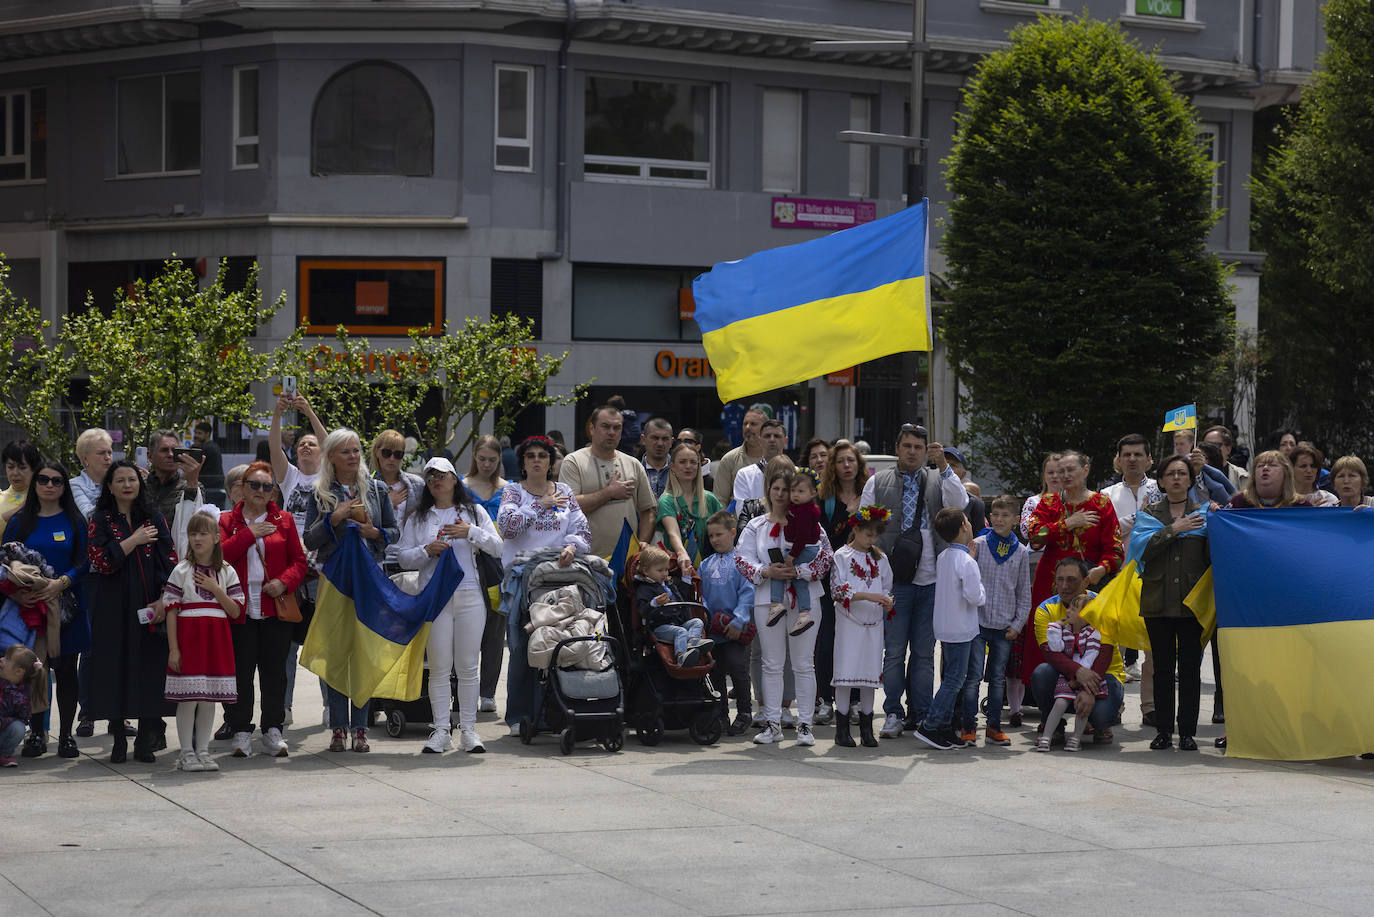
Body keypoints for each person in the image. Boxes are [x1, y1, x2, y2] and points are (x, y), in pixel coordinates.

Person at [858, 423, 968, 739]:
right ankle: (893, 712)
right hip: (893, 582)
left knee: (923, 653)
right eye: (907, 446)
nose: (912, 452)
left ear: (925, 451)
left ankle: (920, 714)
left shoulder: (938, 478)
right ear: (897, 447)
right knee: (893, 652)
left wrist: (944, 466)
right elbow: (864, 526)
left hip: (932, 582)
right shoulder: (877, 482)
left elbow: (959, 502)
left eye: (918, 447)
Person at [397, 456, 502, 755]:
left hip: (470, 596)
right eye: (430, 477)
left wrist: (470, 532)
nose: (436, 481)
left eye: (442, 475)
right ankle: (441, 730)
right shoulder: (419, 518)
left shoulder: (474, 511)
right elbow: (403, 557)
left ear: (455, 479)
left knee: (468, 666)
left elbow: (497, 546)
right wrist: (426, 550)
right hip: (436, 597)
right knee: (440, 668)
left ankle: (468, 730)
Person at [303, 429, 399, 753]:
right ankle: (337, 729)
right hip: (333, 581)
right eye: (345, 451)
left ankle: (360, 728)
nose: (353, 456)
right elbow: (309, 540)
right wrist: (334, 518)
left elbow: (394, 533)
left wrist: (375, 531)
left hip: (369, 577)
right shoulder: (319, 491)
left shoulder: (376, 487)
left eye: (356, 450)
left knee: (362, 654)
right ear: (331, 456)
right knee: (335, 657)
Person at [497, 435, 591, 735]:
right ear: (523, 463)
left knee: (563, 644)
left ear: (551, 463)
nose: (537, 460)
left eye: (542, 456)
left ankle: (557, 713)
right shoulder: (513, 492)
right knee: (524, 646)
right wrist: (540, 505)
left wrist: (572, 548)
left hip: (562, 578)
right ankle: (519, 716)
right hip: (524, 580)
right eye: (530, 456)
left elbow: (582, 529)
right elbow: (507, 528)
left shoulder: (564, 491)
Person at [86, 460, 177, 763]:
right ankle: (118, 741)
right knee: (116, 669)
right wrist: (133, 541)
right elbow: (101, 561)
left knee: (150, 670)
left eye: (132, 479)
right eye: (120, 480)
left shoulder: (154, 517)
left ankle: (146, 740)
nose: (127, 484)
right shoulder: (100, 519)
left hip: (150, 606)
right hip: (112, 608)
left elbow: (169, 560)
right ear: (109, 487)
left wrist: (164, 598)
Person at [735, 466, 832, 747]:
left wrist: (802, 572)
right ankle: (772, 723)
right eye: (775, 488)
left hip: (806, 600)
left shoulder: (810, 524)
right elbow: (742, 559)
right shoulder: (756, 526)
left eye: (786, 489)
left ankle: (805, 725)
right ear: (768, 491)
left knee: (803, 663)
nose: (781, 494)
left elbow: (826, 557)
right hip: (768, 600)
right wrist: (767, 571)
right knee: (772, 663)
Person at [220, 460, 308, 758]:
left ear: (273, 492)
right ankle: (241, 730)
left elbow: (299, 561)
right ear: (242, 488)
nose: (260, 490)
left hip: (275, 610)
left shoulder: (284, 519)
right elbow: (220, 556)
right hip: (239, 610)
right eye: (254, 484)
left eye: (266, 486)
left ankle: (273, 729)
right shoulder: (227, 521)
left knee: (274, 673)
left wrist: (283, 583)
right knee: (240, 673)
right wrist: (250, 532)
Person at [4, 461, 90, 760]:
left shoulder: (75, 521)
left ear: (64, 487)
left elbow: (85, 561)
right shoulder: (19, 522)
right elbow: (4, 563)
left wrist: (61, 583)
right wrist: (16, 593)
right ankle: (37, 734)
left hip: (67, 610)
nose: (50, 485)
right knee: (33, 673)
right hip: (29, 614)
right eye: (43, 479)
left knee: (66, 672)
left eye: (56, 481)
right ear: (35, 483)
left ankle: (65, 735)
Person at [1023, 451, 1122, 696]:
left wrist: (1102, 568)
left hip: (1088, 586)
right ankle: (1045, 700)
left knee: (1089, 643)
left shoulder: (1101, 504)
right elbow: (1034, 538)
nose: (1064, 476)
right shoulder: (1049, 503)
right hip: (1050, 583)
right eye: (1060, 471)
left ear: (1086, 469)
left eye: (1070, 470)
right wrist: (1066, 524)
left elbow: (1116, 549)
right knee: (1048, 639)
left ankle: (1090, 698)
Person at [1138, 453, 1209, 752]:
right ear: (1162, 481)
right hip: (1158, 601)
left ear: (1191, 480)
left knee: (1191, 669)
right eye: (1171, 474)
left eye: (1182, 473)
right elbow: (1141, 551)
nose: (1177, 478)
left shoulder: (1206, 513)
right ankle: (1164, 730)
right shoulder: (1150, 513)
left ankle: (1188, 733)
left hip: (1193, 602)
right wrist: (1173, 530)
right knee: (1163, 669)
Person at [162, 512, 244, 772]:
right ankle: (186, 752)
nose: (197, 538)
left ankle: (204, 751)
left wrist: (216, 588)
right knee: (188, 699)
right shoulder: (181, 570)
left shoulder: (227, 572)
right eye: (193, 533)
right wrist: (174, 648)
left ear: (217, 538)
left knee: (209, 699)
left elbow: (236, 611)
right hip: (189, 640)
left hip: (216, 640)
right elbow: (171, 611)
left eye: (203, 533)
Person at [1030, 558, 1126, 746]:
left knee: (1101, 715)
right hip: (1066, 676)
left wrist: (1089, 690)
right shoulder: (1045, 609)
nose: (1064, 586)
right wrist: (1078, 672)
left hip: (1105, 674)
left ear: (1085, 582)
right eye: (1060, 580)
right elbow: (1050, 653)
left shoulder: (1102, 606)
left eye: (1072, 580)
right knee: (1042, 673)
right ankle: (1055, 727)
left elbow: (1104, 652)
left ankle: (1099, 724)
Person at [912, 508, 984, 750]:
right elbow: (975, 596)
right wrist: (981, 588)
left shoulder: (944, 556)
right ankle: (931, 725)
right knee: (955, 679)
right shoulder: (966, 561)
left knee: (953, 676)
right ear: (964, 526)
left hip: (945, 625)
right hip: (961, 627)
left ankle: (942, 726)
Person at [966, 494, 1030, 747]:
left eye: (1005, 516)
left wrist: (1017, 625)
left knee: (997, 678)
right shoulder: (978, 545)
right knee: (972, 677)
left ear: (1015, 520)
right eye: (995, 515)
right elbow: (968, 580)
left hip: (1004, 627)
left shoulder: (1021, 552)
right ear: (990, 517)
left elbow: (1024, 593)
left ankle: (993, 726)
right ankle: (968, 726)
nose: (999, 519)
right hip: (978, 624)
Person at [829, 506, 893, 748]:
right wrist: (868, 596)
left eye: (875, 536)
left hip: (873, 623)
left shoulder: (881, 558)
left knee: (869, 677)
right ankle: (842, 730)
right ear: (855, 529)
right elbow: (838, 590)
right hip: (849, 622)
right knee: (845, 676)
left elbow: (887, 586)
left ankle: (867, 730)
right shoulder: (841, 556)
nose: (871, 540)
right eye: (868, 534)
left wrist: (887, 600)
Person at [817, 439, 870, 725]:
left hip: (862, 579)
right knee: (827, 641)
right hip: (829, 579)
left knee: (856, 641)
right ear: (833, 467)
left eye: (851, 460)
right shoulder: (824, 498)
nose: (846, 466)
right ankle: (826, 699)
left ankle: (854, 701)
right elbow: (821, 537)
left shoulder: (868, 494)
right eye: (840, 461)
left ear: (859, 464)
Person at [1101, 433, 1161, 686]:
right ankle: (1113, 704)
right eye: (1127, 455)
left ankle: (1152, 707)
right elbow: (1107, 532)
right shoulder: (1106, 495)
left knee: (1155, 646)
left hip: (1157, 574)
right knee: (1114, 645)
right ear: (1118, 460)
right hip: (1119, 575)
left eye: (1138, 454)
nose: (1132, 459)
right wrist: (1140, 517)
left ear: (1149, 459)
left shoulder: (1162, 488)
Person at [559, 405, 655, 558]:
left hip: (627, 561)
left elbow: (648, 511)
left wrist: (642, 543)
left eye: (617, 428)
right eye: (605, 426)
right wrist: (609, 493)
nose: (611, 432)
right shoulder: (573, 461)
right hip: (585, 560)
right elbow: (568, 507)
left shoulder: (633, 464)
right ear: (592, 429)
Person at [465, 434, 509, 713]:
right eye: (482, 459)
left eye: (492, 460)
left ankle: (488, 692)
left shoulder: (509, 489)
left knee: (495, 628)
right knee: (466, 627)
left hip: (496, 565)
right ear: (474, 457)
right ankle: (463, 687)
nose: (487, 464)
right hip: (467, 563)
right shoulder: (460, 485)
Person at [700, 511, 754, 736]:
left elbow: (748, 593)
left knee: (738, 669)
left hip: (734, 630)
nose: (714, 540)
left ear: (733, 533)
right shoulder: (705, 564)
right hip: (713, 630)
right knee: (716, 672)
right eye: (711, 536)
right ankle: (721, 715)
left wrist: (739, 620)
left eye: (719, 534)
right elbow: (700, 594)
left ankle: (744, 713)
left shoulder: (742, 563)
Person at [1036, 595, 1103, 753]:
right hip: (1068, 676)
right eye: (1069, 607)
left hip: (1086, 678)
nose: (1068, 611)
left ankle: (1076, 738)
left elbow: (1090, 658)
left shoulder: (1093, 634)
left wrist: (1079, 679)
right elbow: (1056, 648)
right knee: (1059, 703)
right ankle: (1047, 736)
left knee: (1082, 707)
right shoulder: (1066, 631)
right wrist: (1054, 629)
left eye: (1073, 608)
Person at [634, 545, 712, 667]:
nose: (664, 573)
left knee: (697, 621)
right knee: (680, 631)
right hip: (660, 627)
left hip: (677, 622)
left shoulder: (668, 583)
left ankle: (692, 642)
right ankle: (681, 656)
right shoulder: (644, 588)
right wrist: (655, 603)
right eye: (660, 570)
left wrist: (686, 578)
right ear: (645, 571)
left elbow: (681, 598)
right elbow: (642, 610)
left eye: (666, 570)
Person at [768, 467, 823, 637]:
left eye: (801, 491)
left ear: (813, 493)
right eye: (793, 490)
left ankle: (776, 603)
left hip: (804, 548)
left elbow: (802, 536)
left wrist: (792, 555)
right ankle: (804, 614)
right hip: (803, 547)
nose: (795, 494)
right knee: (799, 581)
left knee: (778, 568)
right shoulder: (798, 508)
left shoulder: (807, 510)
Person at [655, 442, 722, 575]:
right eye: (682, 462)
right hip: (679, 570)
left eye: (693, 462)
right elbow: (673, 532)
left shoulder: (710, 499)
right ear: (672, 466)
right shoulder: (667, 500)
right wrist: (682, 554)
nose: (688, 466)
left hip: (712, 571)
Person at [270, 393, 328, 534]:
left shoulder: (328, 476)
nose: (306, 446)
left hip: (318, 546)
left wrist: (309, 412)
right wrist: (277, 414)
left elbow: (330, 445)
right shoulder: (289, 475)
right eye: (302, 444)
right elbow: (275, 449)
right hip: (291, 545)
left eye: (312, 444)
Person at [144, 430, 206, 522]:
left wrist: (192, 482)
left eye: (175, 451)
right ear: (150, 456)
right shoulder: (140, 486)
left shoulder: (191, 486)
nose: (170, 454)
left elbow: (194, 523)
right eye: (164, 450)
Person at [712, 406, 768, 504]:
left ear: (765, 428)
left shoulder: (775, 460)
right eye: (745, 424)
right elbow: (719, 501)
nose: (747, 427)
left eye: (753, 424)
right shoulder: (729, 459)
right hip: (736, 519)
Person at [0, 645, 43, 767]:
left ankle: (4, 754)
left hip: (3, 731)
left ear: (19, 671)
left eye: (7, 659)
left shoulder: (22, 694)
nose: (1, 659)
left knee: (18, 728)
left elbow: (23, 718)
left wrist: (3, 722)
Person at [731, 419, 789, 506]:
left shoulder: (796, 474)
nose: (772, 439)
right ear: (760, 440)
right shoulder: (744, 475)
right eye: (767, 436)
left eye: (777, 436)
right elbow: (743, 512)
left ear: (785, 441)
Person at [372, 429, 425, 522]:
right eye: (386, 453)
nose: (392, 459)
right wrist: (387, 503)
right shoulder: (367, 485)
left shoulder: (417, 484)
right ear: (377, 452)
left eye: (398, 454)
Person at [70, 429, 115, 519]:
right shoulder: (74, 485)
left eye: (109, 452)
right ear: (85, 459)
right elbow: (89, 516)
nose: (107, 457)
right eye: (101, 453)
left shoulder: (118, 482)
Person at [1, 440, 38, 527]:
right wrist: (17, 510)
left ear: (34, 468)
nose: (15, 473)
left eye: (22, 467)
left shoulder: (44, 497)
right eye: (10, 467)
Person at [1290, 442, 1338, 506]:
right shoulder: (1281, 500)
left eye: (1313, 466)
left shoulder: (1329, 499)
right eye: (1303, 466)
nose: (1309, 470)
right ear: (1291, 469)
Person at [1202, 425, 1249, 491]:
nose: (1209, 449)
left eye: (1215, 445)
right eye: (1206, 445)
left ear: (1228, 449)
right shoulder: (1194, 474)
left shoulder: (1241, 476)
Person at [640, 418, 674, 500]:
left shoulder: (680, 471)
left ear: (671, 442)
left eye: (665, 439)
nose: (660, 443)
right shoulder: (633, 471)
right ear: (643, 439)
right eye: (655, 438)